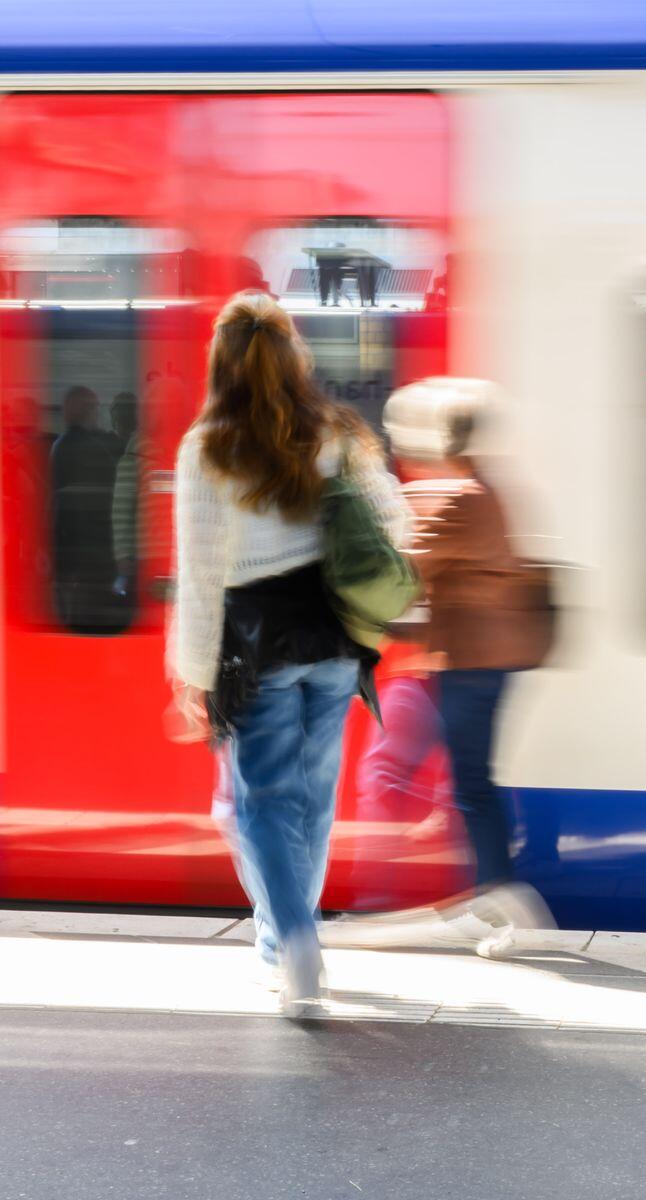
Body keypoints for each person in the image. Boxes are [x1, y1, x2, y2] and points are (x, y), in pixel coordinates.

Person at [167, 290, 411, 1018]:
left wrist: (194, 674)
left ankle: (292, 949)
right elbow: (395, 522)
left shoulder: (207, 446)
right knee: (311, 801)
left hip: (257, 644)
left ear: (221, 363)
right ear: (294, 356)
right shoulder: (335, 430)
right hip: (333, 639)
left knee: (265, 803)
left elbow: (201, 573)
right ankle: (289, 942)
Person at [374, 379, 553, 956]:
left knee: (469, 784)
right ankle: (491, 901)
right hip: (480, 659)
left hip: (473, 661)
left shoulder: (459, 499)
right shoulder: (481, 490)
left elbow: (405, 573)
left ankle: (504, 905)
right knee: (469, 781)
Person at [50, 385, 125, 629]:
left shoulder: (59, 446)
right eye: (95, 408)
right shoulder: (97, 446)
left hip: (71, 546)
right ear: (86, 411)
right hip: (96, 546)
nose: (98, 413)